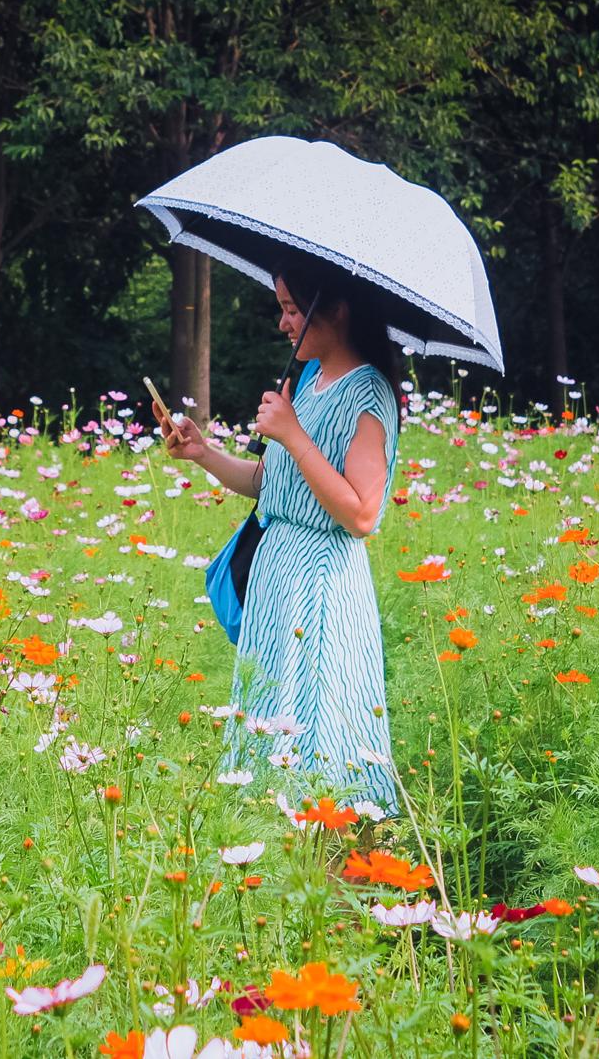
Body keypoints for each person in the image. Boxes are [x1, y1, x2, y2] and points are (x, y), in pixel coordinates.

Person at [158, 262, 401, 811]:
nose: (283, 323)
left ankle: (334, 876)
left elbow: (362, 515)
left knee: (319, 736)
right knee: (271, 726)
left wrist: (292, 434)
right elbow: (267, 483)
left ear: (335, 310)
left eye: (293, 308)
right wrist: (202, 453)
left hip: (320, 586)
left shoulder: (369, 395)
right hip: (277, 579)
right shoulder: (306, 383)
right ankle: (272, 870)